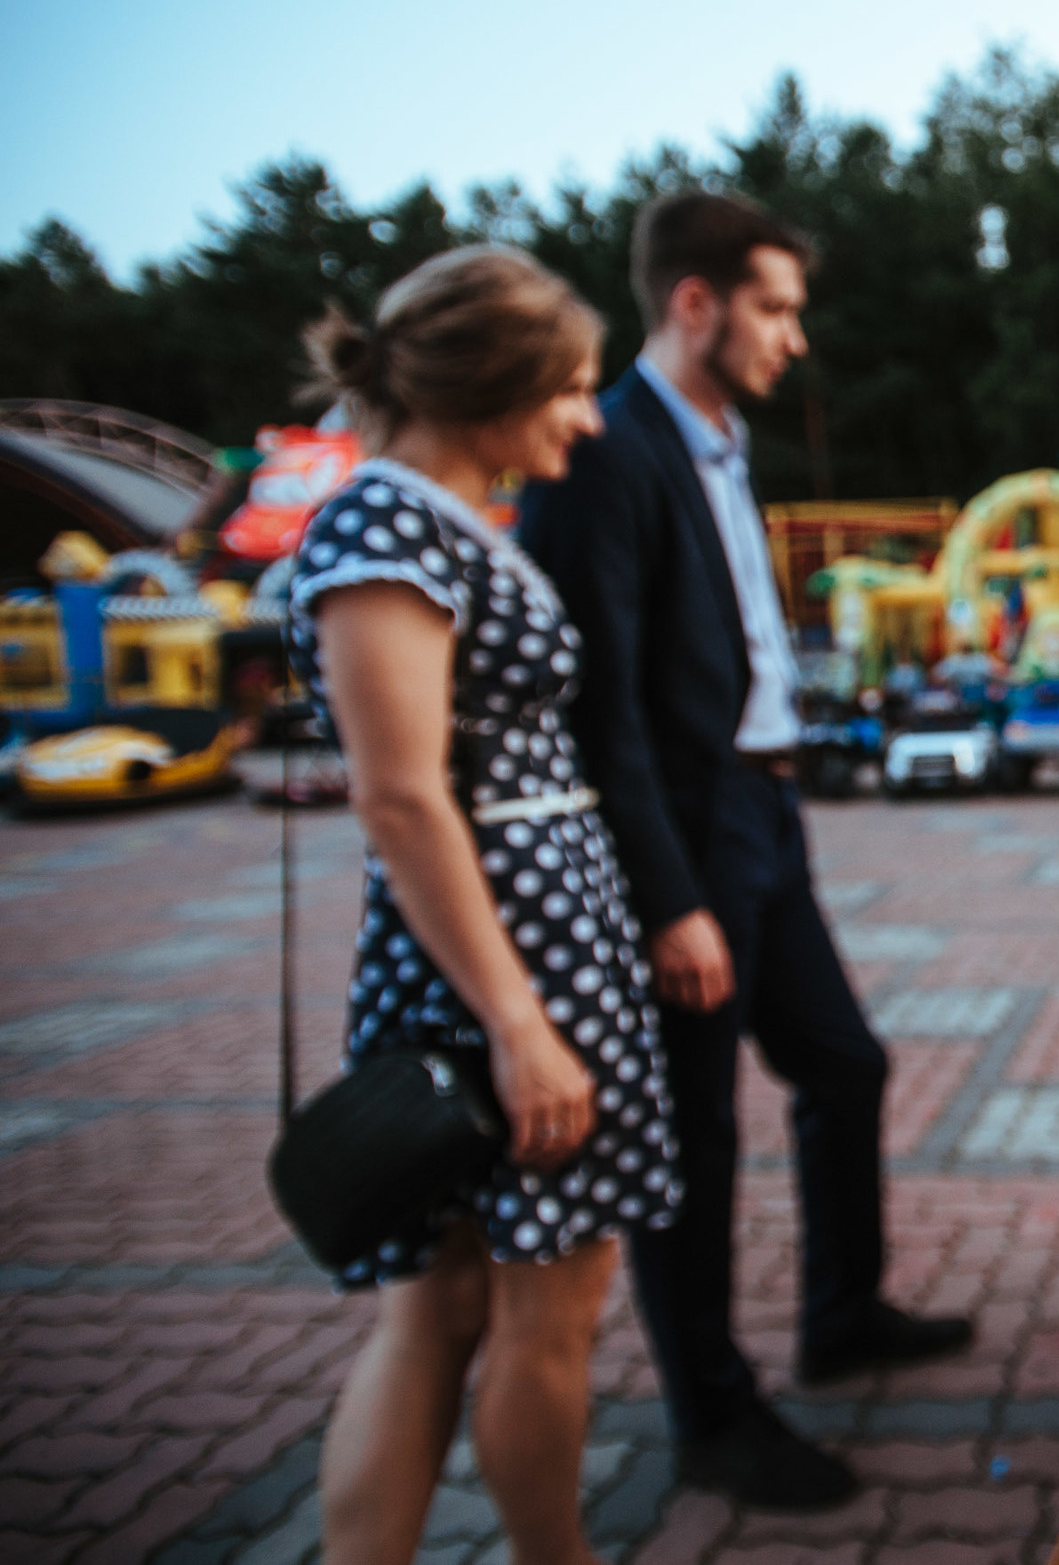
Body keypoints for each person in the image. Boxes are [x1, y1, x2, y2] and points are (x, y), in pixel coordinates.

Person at [517, 192, 969, 1512]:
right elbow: (597, 704)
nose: (794, 338)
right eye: (774, 309)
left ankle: (840, 1316)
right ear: (695, 302)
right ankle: (711, 1415)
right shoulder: (607, 447)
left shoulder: (719, 443)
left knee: (845, 1062)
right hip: (689, 835)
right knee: (694, 1134)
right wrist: (667, 899)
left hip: (766, 812)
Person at [284, 245, 672, 1565]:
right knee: (540, 1308)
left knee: (443, 1307)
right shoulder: (388, 528)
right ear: (487, 386)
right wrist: (519, 1023)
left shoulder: (426, 523)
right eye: (566, 388)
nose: (587, 418)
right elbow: (400, 796)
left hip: (506, 947)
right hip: (504, 963)